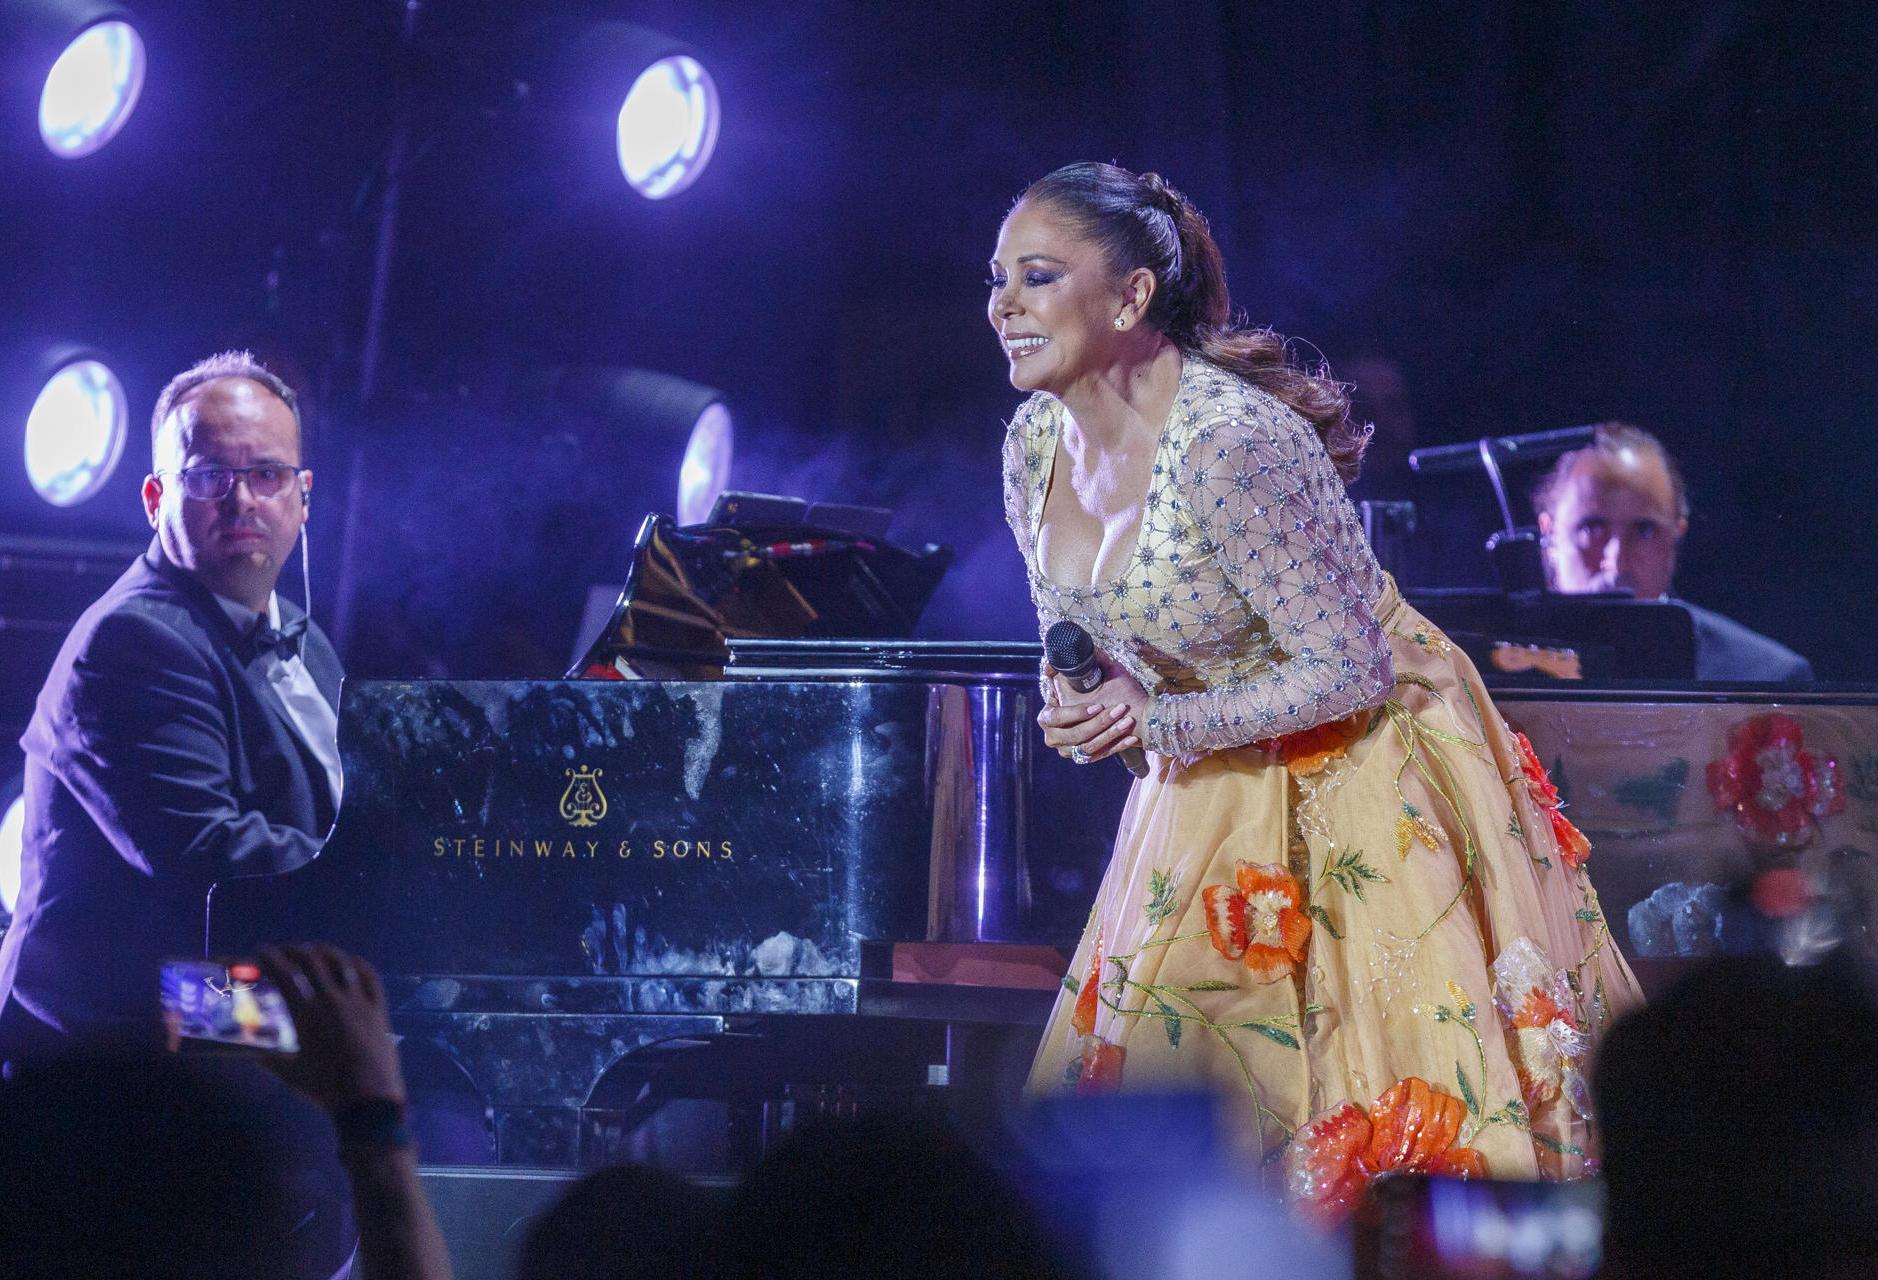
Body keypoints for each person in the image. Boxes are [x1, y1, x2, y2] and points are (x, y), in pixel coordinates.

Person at [991, 162, 1640, 1214]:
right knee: (1184, 1096)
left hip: (1363, 758)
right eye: (999, 278)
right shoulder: (1031, 448)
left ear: (1129, 297)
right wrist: (1078, 693)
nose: (1002, 306)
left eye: (1036, 275)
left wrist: (1156, 718)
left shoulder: (1231, 443)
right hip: (1204, 773)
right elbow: (1071, 626)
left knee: (1379, 1082)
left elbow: (1348, 668)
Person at [0, 350, 340, 1058]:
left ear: (303, 497)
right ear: (156, 500)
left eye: (267, 475)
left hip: (209, 986)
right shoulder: (134, 640)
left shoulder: (310, 646)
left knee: (393, 1036)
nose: (242, 498)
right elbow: (206, 856)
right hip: (120, 1015)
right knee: (376, 1051)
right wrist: (391, 887)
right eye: (211, 475)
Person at [1532, 421, 1812, 682]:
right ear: (1548, 533)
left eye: (1644, 530)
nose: (1615, 563)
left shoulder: (1763, 677)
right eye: (1592, 528)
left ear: (1676, 537)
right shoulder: (1492, 672)